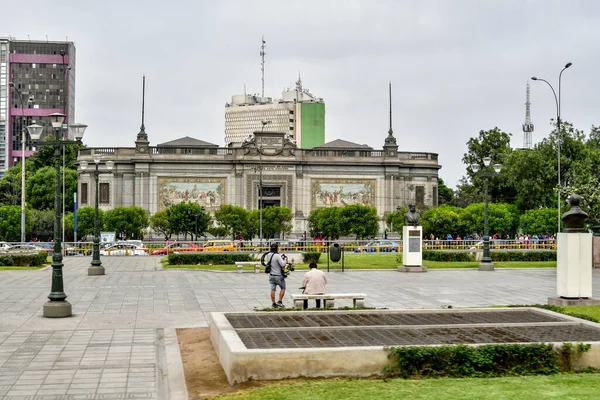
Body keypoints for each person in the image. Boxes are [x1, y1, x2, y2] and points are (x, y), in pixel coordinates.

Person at [265, 243, 287, 308]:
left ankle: (273, 303)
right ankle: (280, 301)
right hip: (278, 275)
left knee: (272, 289)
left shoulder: (268, 255)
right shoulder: (277, 256)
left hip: (271, 275)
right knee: (283, 288)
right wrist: (284, 259)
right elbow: (283, 264)